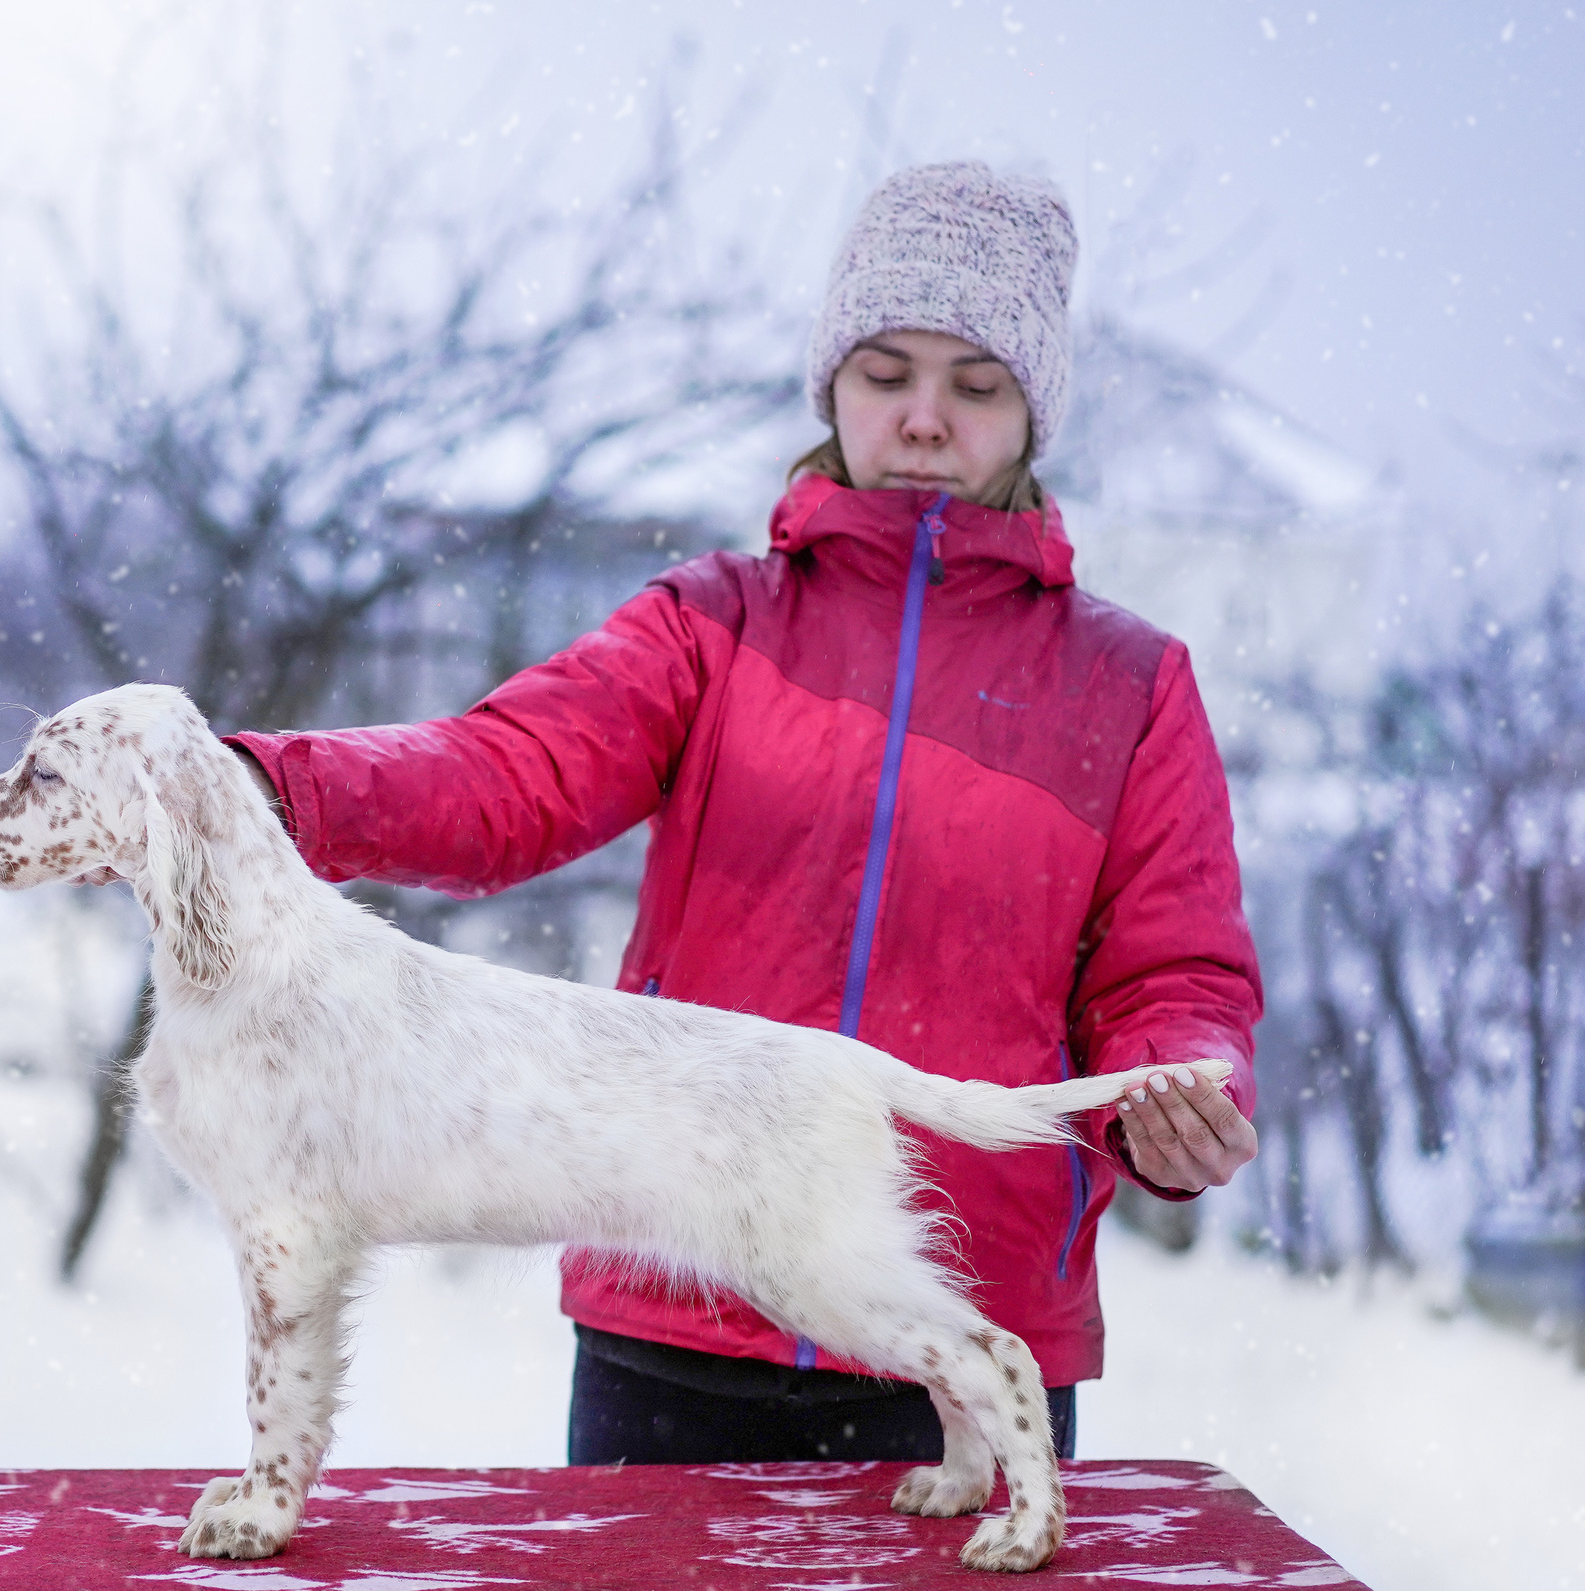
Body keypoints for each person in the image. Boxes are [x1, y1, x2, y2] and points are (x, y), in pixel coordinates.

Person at [224, 161, 1262, 1467]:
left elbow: (1174, 969)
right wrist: (269, 788)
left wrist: (1174, 1083)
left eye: (976, 383)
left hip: (956, 1327)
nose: (926, 417)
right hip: (680, 1308)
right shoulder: (714, 624)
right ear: (832, 383)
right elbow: (503, 777)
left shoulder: (1128, 686)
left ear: (1034, 409)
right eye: (887, 373)